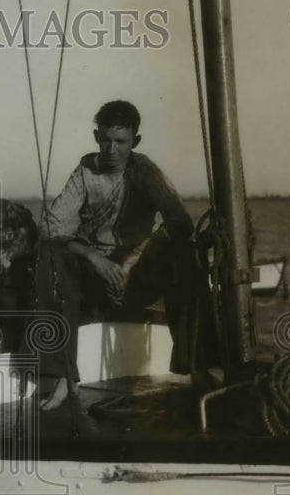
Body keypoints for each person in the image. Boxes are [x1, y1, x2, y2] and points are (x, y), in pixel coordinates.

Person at [35, 100, 194, 411]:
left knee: (186, 254)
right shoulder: (85, 173)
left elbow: (180, 220)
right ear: (97, 137)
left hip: (136, 275)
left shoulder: (145, 171)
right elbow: (49, 228)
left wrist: (133, 258)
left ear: (134, 142)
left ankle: (196, 368)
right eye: (105, 139)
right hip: (96, 277)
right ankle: (65, 378)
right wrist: (96, 259)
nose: (111, 149)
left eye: (120, 142)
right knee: (50, 256)